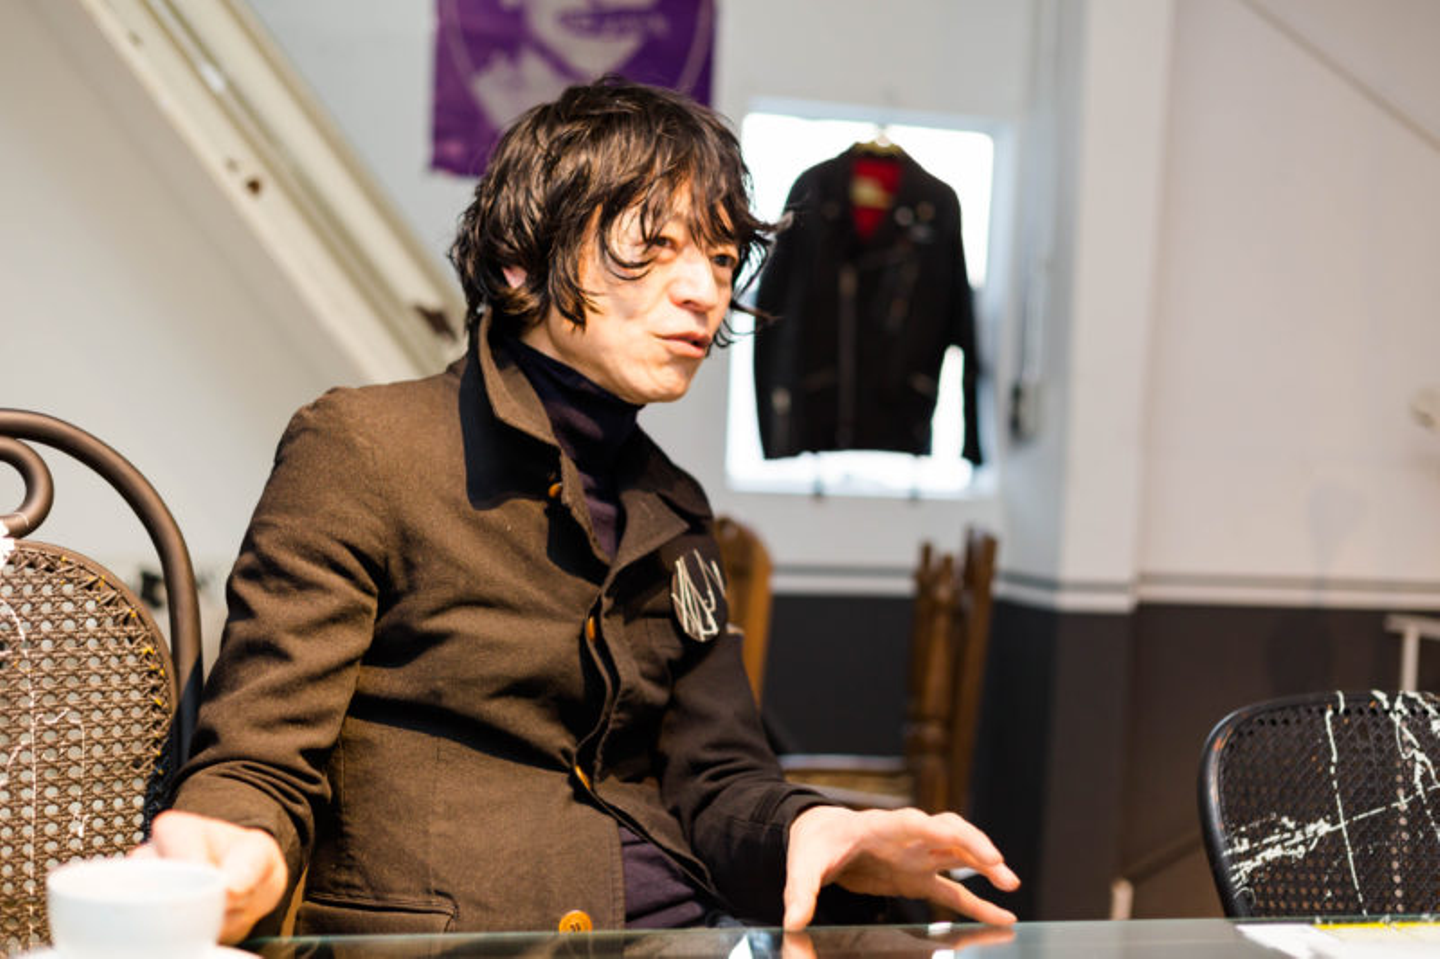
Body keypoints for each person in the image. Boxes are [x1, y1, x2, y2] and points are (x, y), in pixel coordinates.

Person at [136, 76, 1019, 943]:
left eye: (720, 258)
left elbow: (717, 776)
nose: (703, 291)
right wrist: (230, 848)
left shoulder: (673, 504)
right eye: (654, 243)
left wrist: (813, 825)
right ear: (523, 257)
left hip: (683, 926)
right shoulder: (366, 447)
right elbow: (258, 757)